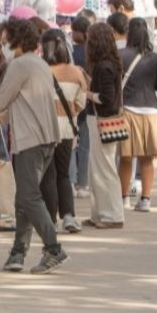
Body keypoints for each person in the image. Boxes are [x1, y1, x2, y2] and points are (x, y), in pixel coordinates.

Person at [0, 18, 68, 274]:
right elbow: (25, 101)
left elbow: (2, 98)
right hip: (47, 136)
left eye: (6, 38)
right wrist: (5, 116)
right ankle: (18, 252)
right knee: (25, 197)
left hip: (30, 139)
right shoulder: (40, 63)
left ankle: (53, 248)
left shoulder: (18, 65)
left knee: (28, 197)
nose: (3, 42)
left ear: (16, 39)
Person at [40, 28, 87, 234]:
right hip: (67, 129)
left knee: (48, 175)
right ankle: (68, 216)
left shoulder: (40, 71)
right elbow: (81, 103)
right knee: (64, 174)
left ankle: (50, 220)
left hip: (45, 130)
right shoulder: (76, 72)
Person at [118, 19, 157, 213]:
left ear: (129, 33)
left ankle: (124, 198)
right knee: (147, 159)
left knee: (126, 157)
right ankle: (145, 199)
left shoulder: (120, 55)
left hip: (127, 110)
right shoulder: (154, 58)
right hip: (150, 111)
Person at [82, 22, 125, 229]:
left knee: (104, 169)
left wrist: (87, 94)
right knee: (99, 168)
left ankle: (112, 215)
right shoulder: (111, 64)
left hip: (101, 120)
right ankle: (100, 213)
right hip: (105, 120)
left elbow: (107, 97)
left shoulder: (103, 66)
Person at [70, 15, 92, 197]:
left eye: (74, 31)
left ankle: (71, 181)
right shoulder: (92, 51)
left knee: (71, 144)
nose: (72, 34)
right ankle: (83, 183)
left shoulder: (73, 52)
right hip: (89, 102)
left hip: (71, 101)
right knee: (85, 146)